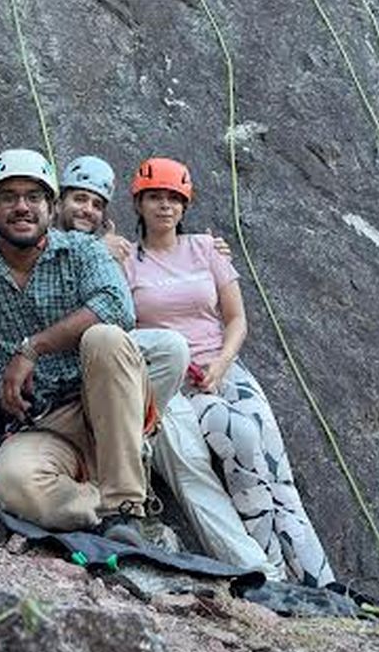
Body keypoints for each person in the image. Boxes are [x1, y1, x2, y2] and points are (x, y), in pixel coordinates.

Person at [0, 148, 189, 545]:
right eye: (8, 197)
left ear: (52, 206)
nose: (22, 207)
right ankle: (101, 506)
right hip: (42, 423)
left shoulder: (83, 250)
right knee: (10, 485)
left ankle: (125, 505)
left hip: (102, 401)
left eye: (34, 197)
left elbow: (117, 307)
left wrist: (32, 349)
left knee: (106, 337)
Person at [57, 156, 278, 576]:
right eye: (78, 199)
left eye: (96, 203)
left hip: (149, 383)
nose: (87, 209)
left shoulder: (120, 252)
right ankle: (257, 569)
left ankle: (260, 571)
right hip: (91, 389)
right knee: (188, 458)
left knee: (194, 463)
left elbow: (232, 317)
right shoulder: (91, 251)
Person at [125, 157, 334, 587]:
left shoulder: (206, 249)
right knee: (241, 438)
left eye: (174, 199)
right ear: (138, 203)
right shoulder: (127, 260)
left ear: (185, 206)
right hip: (180, 384)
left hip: (227, 369)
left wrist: (221, 366)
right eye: (155, 197)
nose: (165, 206)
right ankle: (277, 579)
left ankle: (321, 580)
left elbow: (236, 319)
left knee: (278, 473)